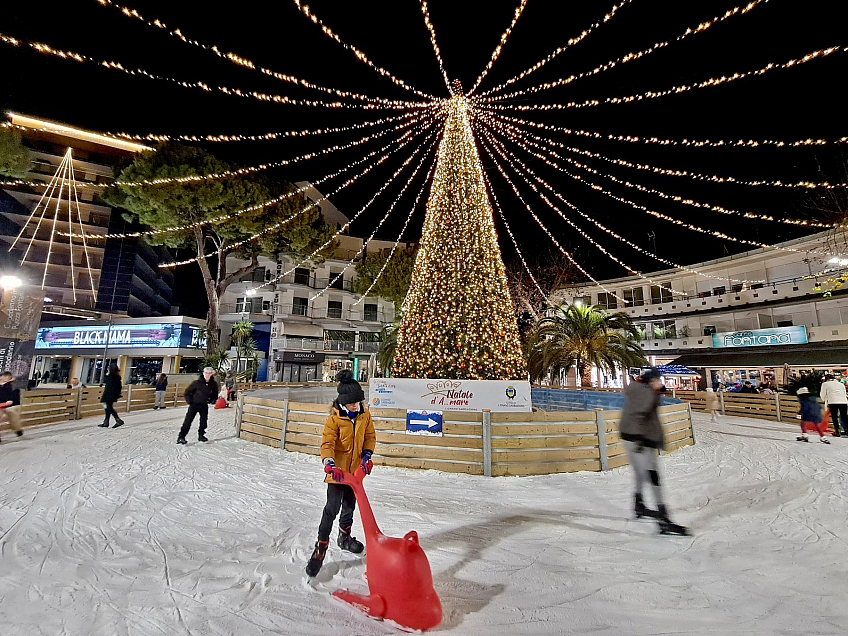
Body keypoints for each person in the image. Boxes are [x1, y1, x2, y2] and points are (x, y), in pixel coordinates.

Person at [305, 369, 377, 577]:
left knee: (350, 507)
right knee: (332, 508)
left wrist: (367, 455)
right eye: (352, 403)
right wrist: (329, 464)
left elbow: (370, 436)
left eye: (358, 403)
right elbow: (327, 443)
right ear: (343, 403)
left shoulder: (364, 416)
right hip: (337, 474)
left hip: (354, 475)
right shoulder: (334, 420)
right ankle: (321, 547)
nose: (356, 406)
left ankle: (344, 537)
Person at [619, 368, 688, 535]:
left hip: (630, 436)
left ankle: (639, 504)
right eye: (658, 380)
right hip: (639, 438)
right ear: (651, 381)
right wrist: (640, 439)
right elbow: (638, 415)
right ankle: (663, 519)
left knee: (640, 473)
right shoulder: (646, 394)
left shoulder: (638, 389)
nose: (660, 383)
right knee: (652, 474)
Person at [177, 367, 218, 444]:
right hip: (194, 405)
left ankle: (201, 435)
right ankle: (181, 437)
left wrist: (212, 400)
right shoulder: (196, 383)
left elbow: (215, 393)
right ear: (203, 373)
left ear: (211, 374)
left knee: (203, 421)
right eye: (206, 373)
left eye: (209, 373)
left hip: (204, 405)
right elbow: (187, 392)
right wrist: (190, 401)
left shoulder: (213, 384)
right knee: (188, 421)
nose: (207, 375)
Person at [0, 371, 24, 441]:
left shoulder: (13, 385)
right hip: (1, 405)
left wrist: (10, 401)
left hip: (12, 405)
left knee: (12, 416)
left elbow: (14, 396)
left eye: (6, 377)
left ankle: (18, 430)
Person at [99, 363, 125, 428]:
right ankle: (106, 422)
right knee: (108, 407)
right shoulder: (117, 377)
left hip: (109, 394)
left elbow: (109, 386)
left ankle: (118, 420)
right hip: (112, 394)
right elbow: (119, 387)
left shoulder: (111, 377)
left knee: (109, 407)